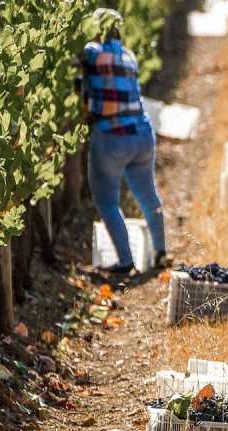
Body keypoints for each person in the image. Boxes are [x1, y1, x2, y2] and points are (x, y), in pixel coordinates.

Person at [81, 8, 168, 274]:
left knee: (107, 201)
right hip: (141, 134)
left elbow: (82, 57)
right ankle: (161, 253)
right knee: (148, 195)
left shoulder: (92, 53)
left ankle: (126, 262)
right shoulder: (129, 57)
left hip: (112, 137)